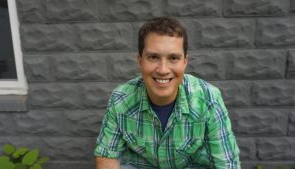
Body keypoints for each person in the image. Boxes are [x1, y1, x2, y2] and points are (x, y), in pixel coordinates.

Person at [94, 17, 240, 169]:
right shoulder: (121, 99)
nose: (163, 70)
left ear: (185, 61)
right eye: (153, 57)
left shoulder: (209, 99)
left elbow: (226, 163)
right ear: (140, 60)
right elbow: (107, 156)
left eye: (173, 58)